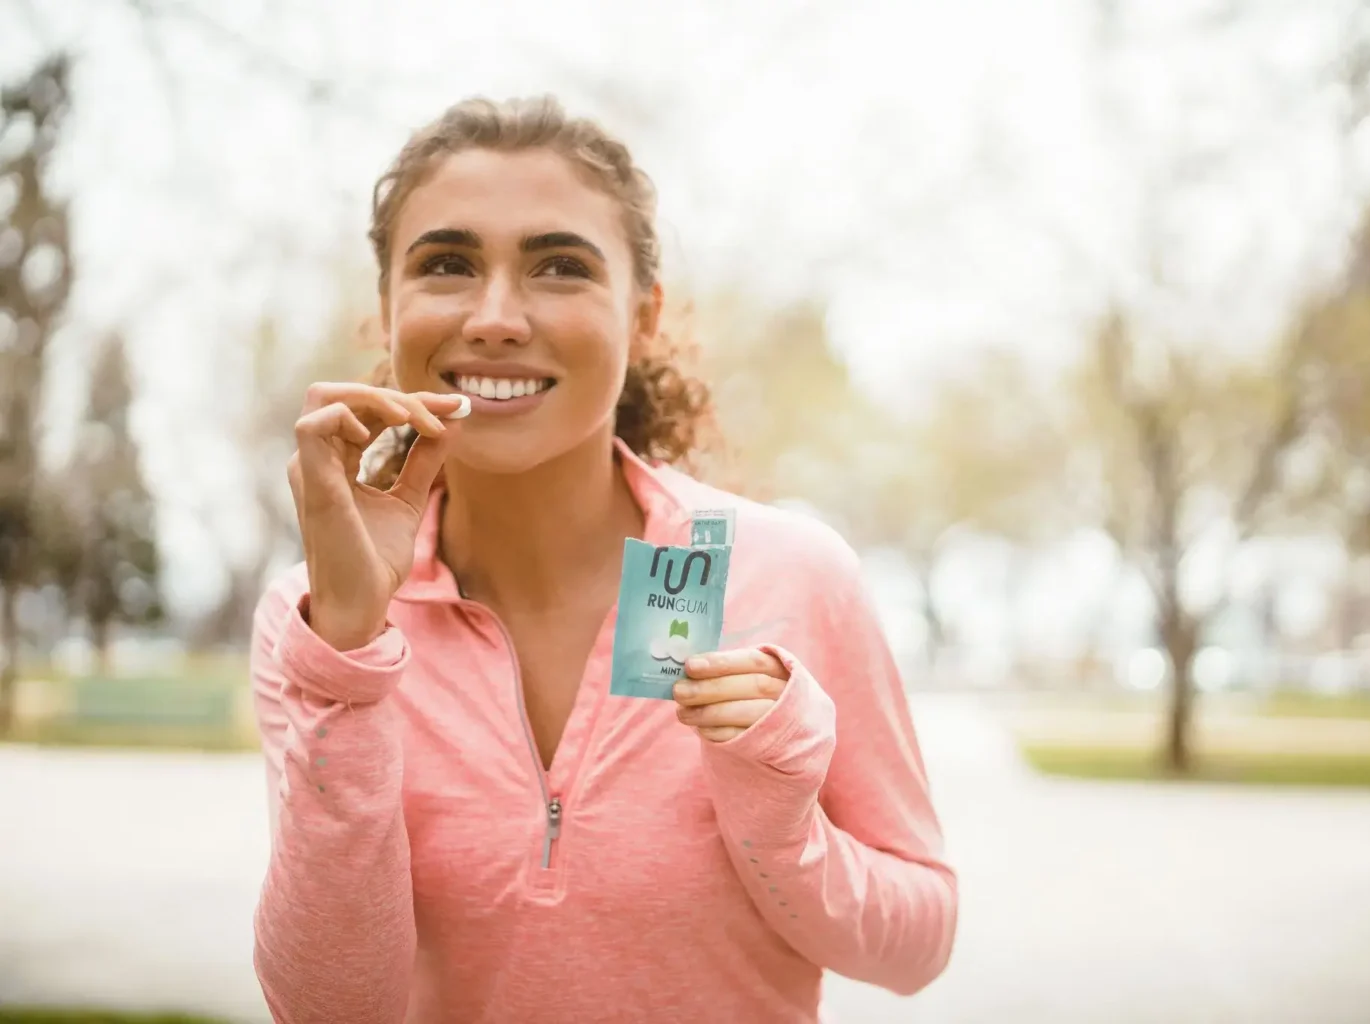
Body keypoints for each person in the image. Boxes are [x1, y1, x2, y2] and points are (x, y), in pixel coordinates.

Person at [249, 94, 957, 1024]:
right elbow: (332, 1010)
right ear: (388, 310)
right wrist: (346, 650)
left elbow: (917, 947)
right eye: (449, 264)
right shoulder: (313, 621)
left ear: (645, 316)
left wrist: (779, 822)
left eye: (559, 268)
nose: (497, 316)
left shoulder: (793, 574)